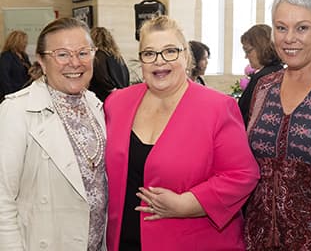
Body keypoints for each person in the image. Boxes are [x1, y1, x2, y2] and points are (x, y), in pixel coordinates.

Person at [104, 15, 260, 251]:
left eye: (170, 51)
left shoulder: (217, 107)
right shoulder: (117, 103)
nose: (159, 61)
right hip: (124, 240)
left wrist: (185, 204)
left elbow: (242, 175)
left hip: (193, 241)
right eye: (149, 53)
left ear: (186, 56)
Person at [244, 0, 311, 250]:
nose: (289, 38)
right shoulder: (264, 86)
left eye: (302, 27)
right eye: (281, 28)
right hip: (259, 237)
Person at [0, 17, 108, 251]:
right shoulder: (17, 111)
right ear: (42, 61)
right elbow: (2, 199)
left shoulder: (96, 105)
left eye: (83, 52)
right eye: (62, 54)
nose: (75, 63)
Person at [238, 24, 283, 127]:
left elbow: (245, 114)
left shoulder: (262, 78)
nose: (246, 56)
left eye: (248, 51)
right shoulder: (279, 70)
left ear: (261, 48)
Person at [89, 26, 130, 101]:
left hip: (105, 99)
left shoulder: (99, 55)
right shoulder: (117, 56)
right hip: (122, 98)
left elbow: (101, 76)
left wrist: (112, 90)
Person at [0, 30, 32, 102]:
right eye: (24, 42)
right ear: (16, 42)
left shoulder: (24, 56)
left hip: (24, 92)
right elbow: (4, 77)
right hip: (12, 94)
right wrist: (10, 95)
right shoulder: (6, 56)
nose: (26, 44)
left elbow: (29, 71)